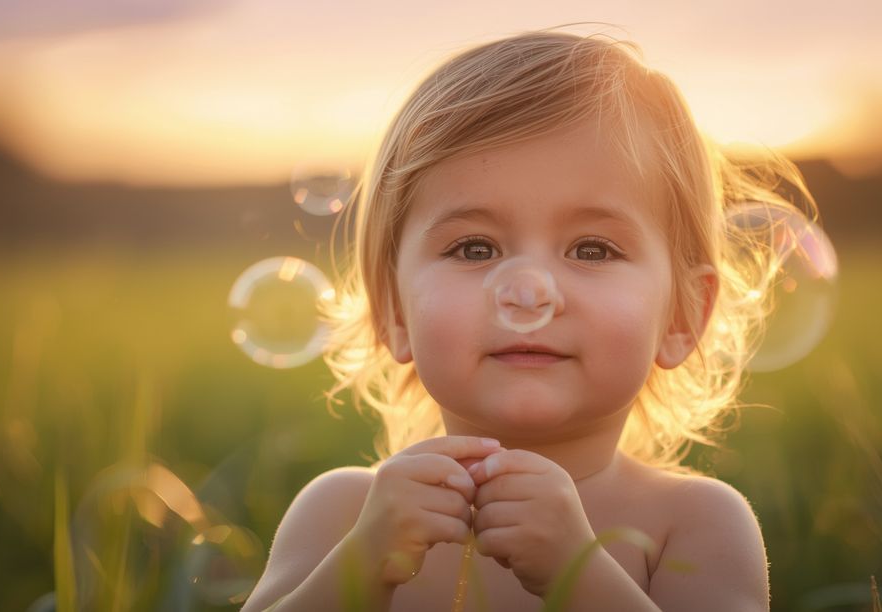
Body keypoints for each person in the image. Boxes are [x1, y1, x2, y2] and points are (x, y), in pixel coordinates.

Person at [243, 25, 816, 611]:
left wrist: (580, 573)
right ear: (393, 307)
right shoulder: (343, 513)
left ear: (682, 317)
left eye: (592, 249)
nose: (525, 293)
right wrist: (360, 566)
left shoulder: (695, 523)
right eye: (474, 248)